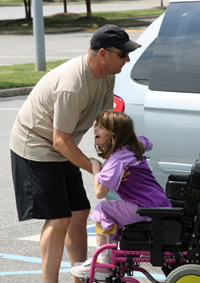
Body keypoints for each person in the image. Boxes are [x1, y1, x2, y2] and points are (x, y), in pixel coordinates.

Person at [10, 25, 141, 283]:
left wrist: (118, 160)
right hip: (35, 147)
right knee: (58, 218)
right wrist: (95, 165)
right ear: (103, 53)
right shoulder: (73, 84)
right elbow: (60, 140)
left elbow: (105, 125)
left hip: (62, 146)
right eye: (123, 54)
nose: (127, 59)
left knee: (80, 212)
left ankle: (81, 278)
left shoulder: (107, 75)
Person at [71, 110, 172, 280]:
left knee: (103, 209)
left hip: (146, 207)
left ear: (114, 135)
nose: (94, 129)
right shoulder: (133, 146)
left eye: (101, 127)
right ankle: (110, 257)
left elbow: (99, 192)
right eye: (96, 125)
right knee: (112, 210)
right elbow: (149, 143)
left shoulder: (117, 160)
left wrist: (95, 166)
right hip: (156, 202)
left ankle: (103, 263)